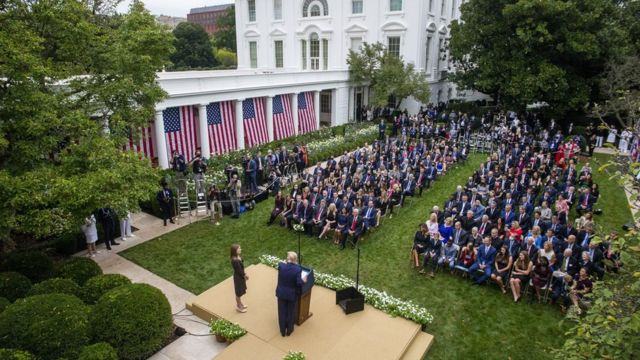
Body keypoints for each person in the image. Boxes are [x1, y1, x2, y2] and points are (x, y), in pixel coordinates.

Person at [276, 252, 308, 337]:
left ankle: (282, 331)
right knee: (290, 312)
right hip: (291, 294)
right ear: (295, 260)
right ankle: (289, 330)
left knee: (282, 312)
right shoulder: (297, 269)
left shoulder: (281, 266)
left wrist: (285, 262)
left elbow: (281, 264)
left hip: (281, 293)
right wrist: (303, 280)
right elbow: (298, 282)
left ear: (288, 258)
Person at [230, 244, 248, 313]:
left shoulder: (237, 257)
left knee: (240, 291)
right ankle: (239, 306)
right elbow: (239, 271)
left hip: (240, 276)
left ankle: (240, 304)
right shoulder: (235, 260)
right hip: (238, 278)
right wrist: (245, 275)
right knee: (238, 293)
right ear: (235, 251)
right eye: (239, 249)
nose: (240, 249)